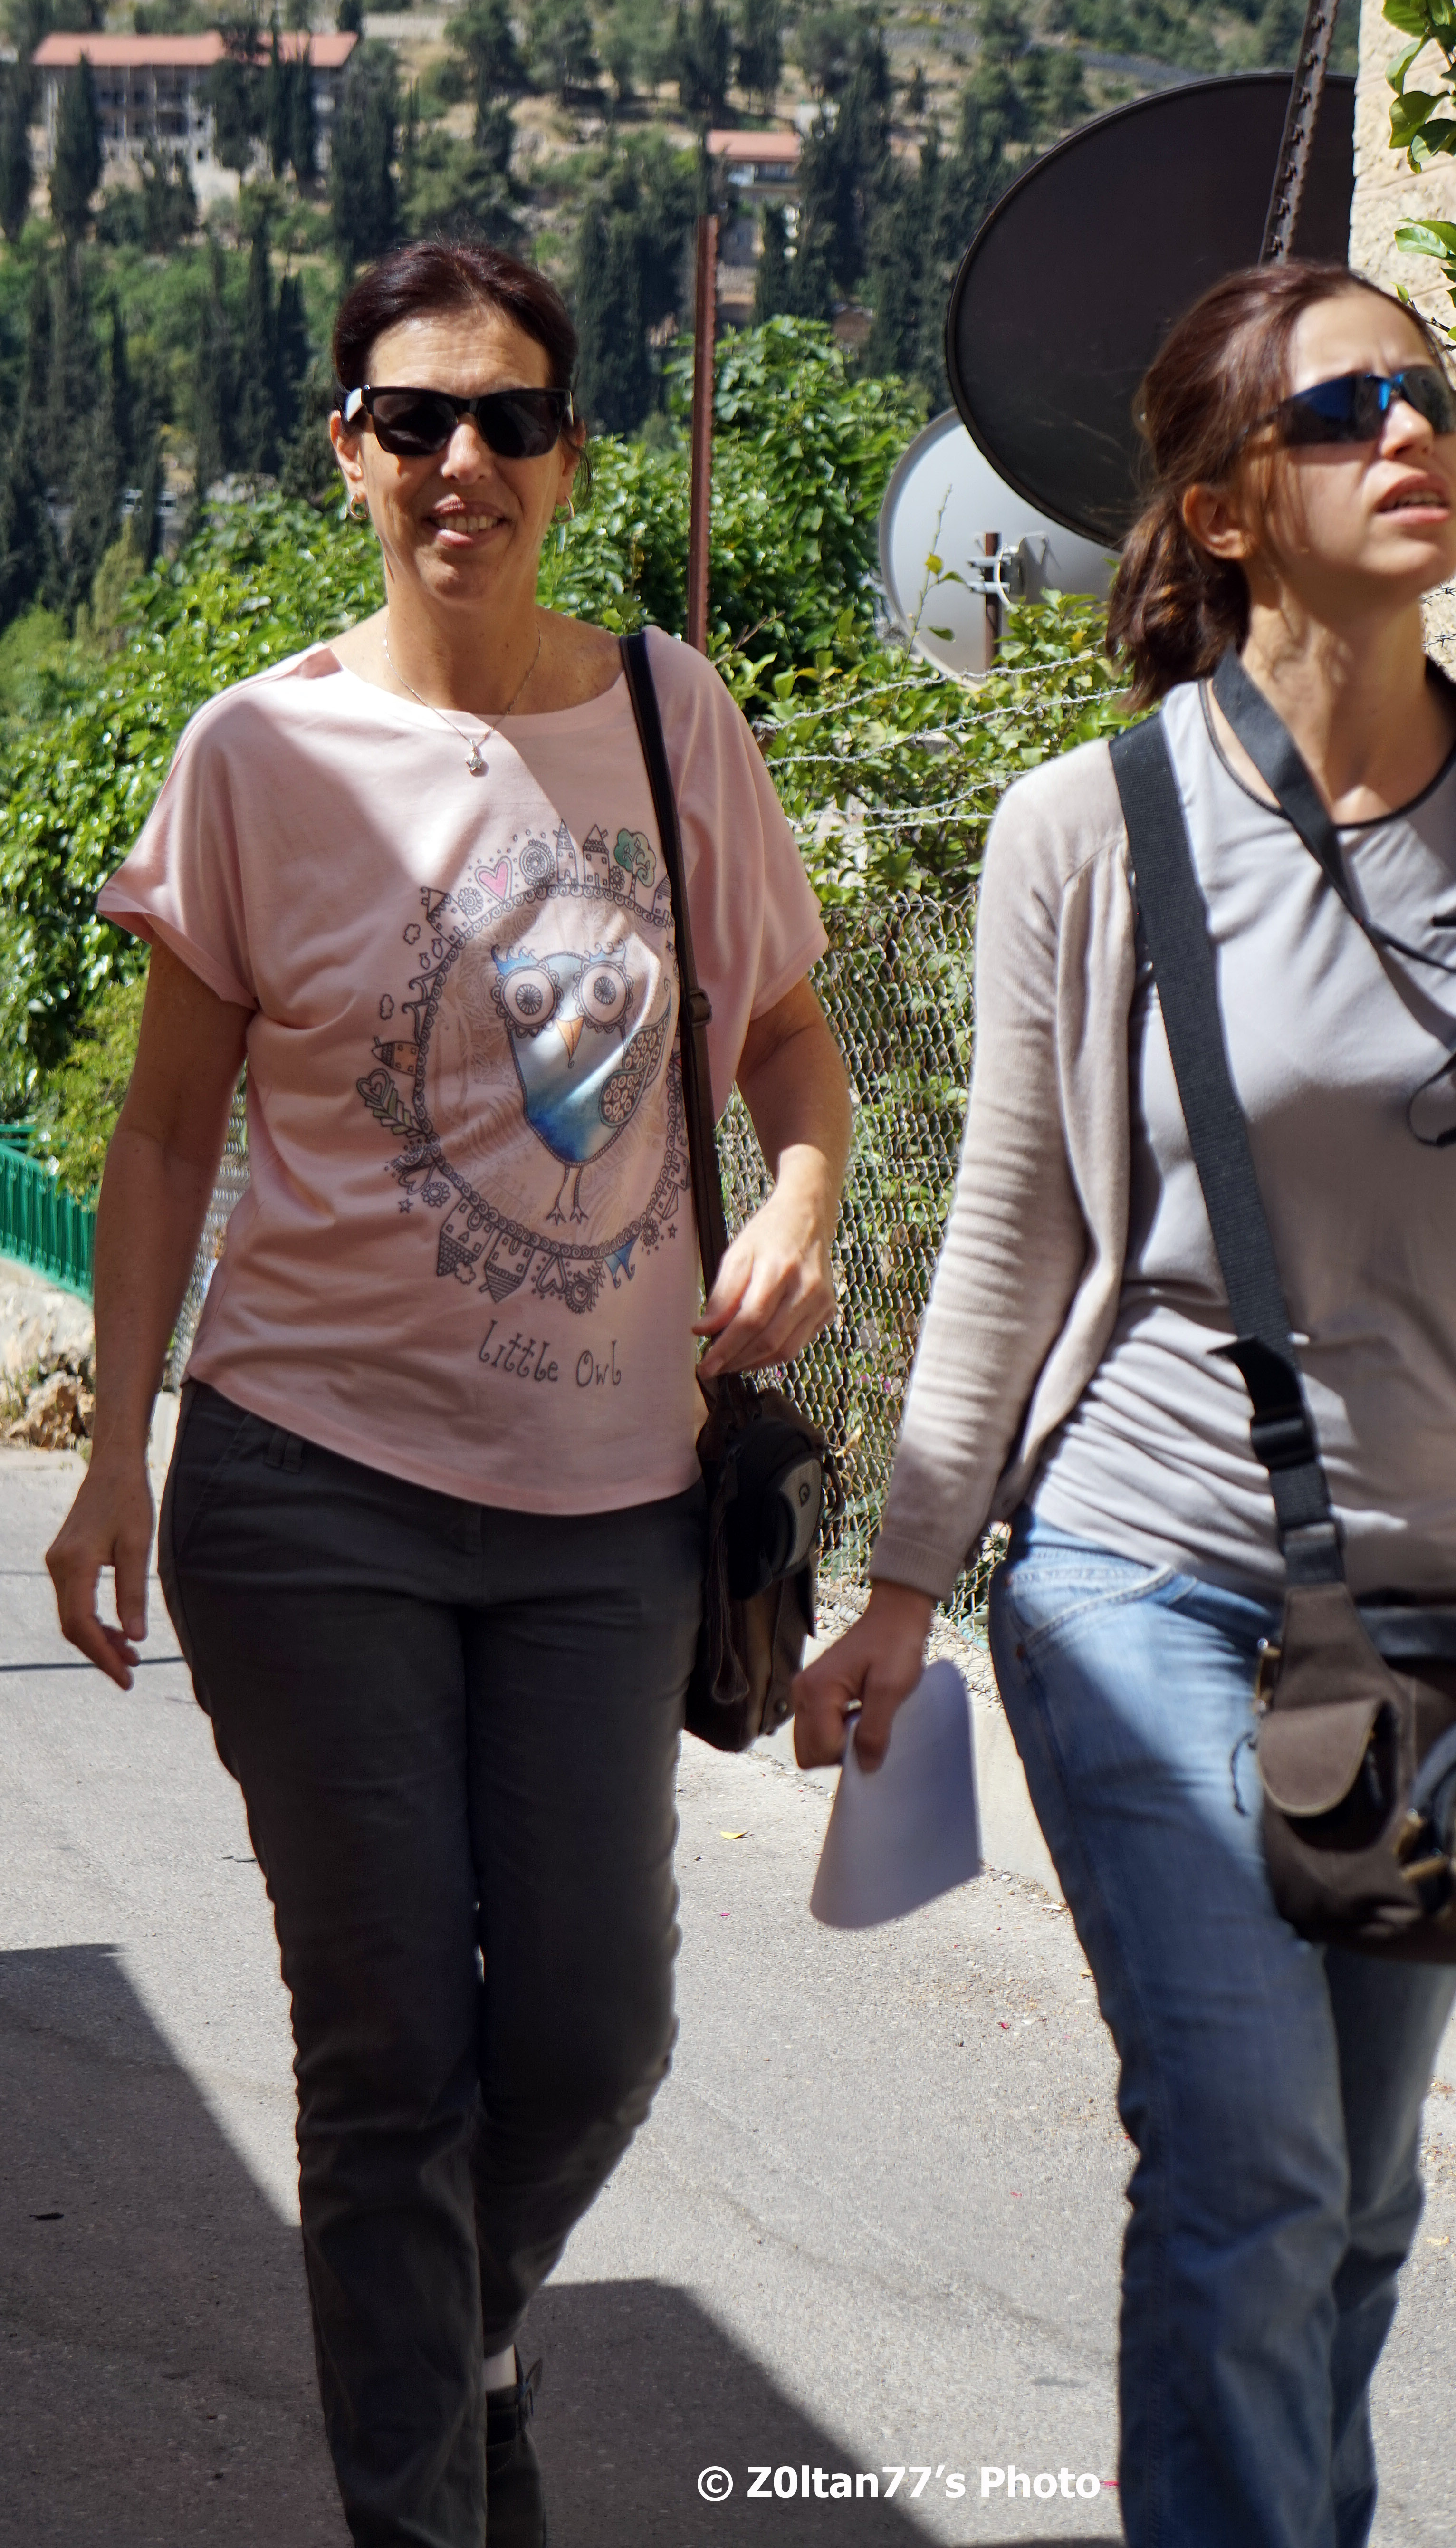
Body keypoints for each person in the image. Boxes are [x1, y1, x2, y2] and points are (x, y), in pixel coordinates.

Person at [47, 237, 851, 2548]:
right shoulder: (258, 751)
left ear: (570, 460)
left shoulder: (676, 721)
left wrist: (806, 1199)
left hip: (613, 1508)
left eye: (506, 420)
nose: (460, 463)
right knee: (387, 2049)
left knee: (594, 2034)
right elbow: (167, 1134)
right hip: (310, 1486)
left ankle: (465, 2331)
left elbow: (786, 1038)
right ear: (349, 454)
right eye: (413, 421)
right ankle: (424, 2504)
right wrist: (117, 1455)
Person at [795, 259, 1456, 2548]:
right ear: (1225, 509)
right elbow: (1008, 1228)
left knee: (1355, 2203)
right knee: (1254, 2164)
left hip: (1426, 1626)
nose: (1409, 431)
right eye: (1343, 407)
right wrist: (903, 1580)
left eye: (1425, 391)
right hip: (1149, 1569)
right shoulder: (1092, 829)